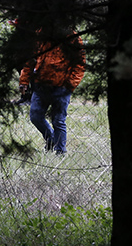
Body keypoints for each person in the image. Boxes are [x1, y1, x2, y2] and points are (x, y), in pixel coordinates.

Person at [18, 24, 85, 154]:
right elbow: (30, 61)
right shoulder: (40, 34)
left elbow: (80, 64)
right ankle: (51, 139)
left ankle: (60, 152)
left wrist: (70, 85)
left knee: (58, 120)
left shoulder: (73, 37)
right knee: (35, 116)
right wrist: (24, 81)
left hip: (62, 87)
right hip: (41, 85)